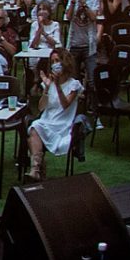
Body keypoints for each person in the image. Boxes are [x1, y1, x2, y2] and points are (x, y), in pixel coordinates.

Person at [26, 48, 83, 182]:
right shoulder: (49, 83)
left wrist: (57, 86)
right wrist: (47, 88)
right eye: (52, 61)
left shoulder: (74, 84)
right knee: (35, 126)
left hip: (62, 123)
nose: (54, 64)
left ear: (65, 62)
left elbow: (65, 105)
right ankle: (36, 169)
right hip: (47, 120)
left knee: (33, 132)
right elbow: (41, 108)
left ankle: (38, 169)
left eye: (57, 60)